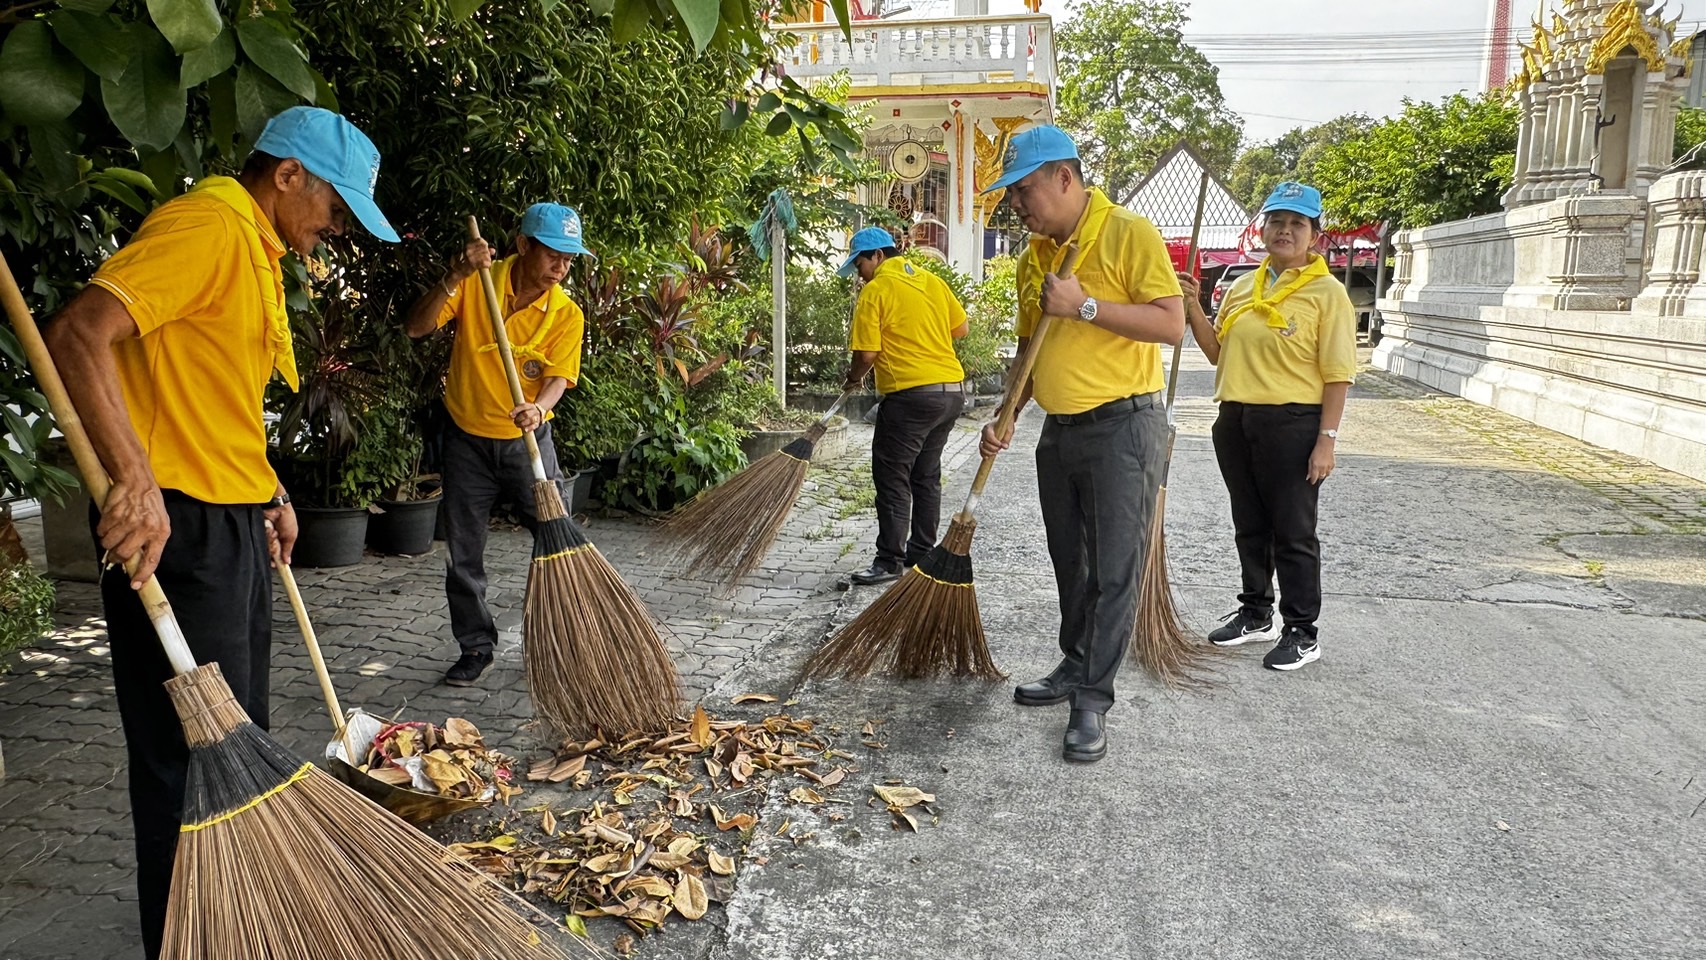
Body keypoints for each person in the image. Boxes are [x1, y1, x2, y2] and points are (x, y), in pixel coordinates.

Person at [42, 106, 399, 959]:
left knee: (238, 743)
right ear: (287, 175)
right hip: (178, 531)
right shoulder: (207, 225)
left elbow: (207, 388)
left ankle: (236, 923)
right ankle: (185, 938)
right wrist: (132, 476)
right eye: (333, 206)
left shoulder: (256, 248)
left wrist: (266, 487)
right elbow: (79, 333)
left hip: (229, 519)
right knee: (187, 761)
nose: (333, 228)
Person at [978, 126, 1184, 763]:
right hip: (1058, 432)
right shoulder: (1032, 257)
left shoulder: (1129, 234)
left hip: (1125, 427)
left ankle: (1092, 699)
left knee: (1117, 568)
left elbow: (1172, 324)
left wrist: (1086, 306)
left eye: (1024, 188)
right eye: (1011, 193)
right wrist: (1009, 408)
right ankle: (1074, 663)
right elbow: (1031, 348)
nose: (1017, 202)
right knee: (1071, 560)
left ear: (1064, 178)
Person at [403, 203, 587, 686]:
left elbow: (559, 378)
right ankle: (475, 647)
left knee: (558, 539)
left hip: (527, 440)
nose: (561, 268)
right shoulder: (475, 282)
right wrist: (455, 274)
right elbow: (416, 327)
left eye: (570, 259)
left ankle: (565, 641)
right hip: (466, 440)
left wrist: (540, 409)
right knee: (463, 554)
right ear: (524, 246)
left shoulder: (566, 312)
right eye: (553, 255)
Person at [1181, 181, 1355, 672]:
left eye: (1297, 223)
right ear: (1262, 228)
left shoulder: (1327, 294)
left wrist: (1328, 439)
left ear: (1314, 237)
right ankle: (1256, 612)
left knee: (1294, 531)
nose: (1285, 231)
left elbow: (1338, 373)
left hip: (1293, 423)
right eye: (1277, 221)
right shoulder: (1241, 287)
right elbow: (1219, 354)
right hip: (1235, 419)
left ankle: (1301, 629)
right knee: (1249, 524)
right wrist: (1194, 307)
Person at [838, 227, 970, 585]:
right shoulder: (931, 281)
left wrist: (854, 378)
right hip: (950, 393)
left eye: (860, 264)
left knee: (893, 476)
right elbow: (961, 328)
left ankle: (888, 561)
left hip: (911, 396)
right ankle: (922, 554)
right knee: (926, 476)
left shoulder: (877, 290)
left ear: (878, 256)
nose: (859, 273)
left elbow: (867, 353)